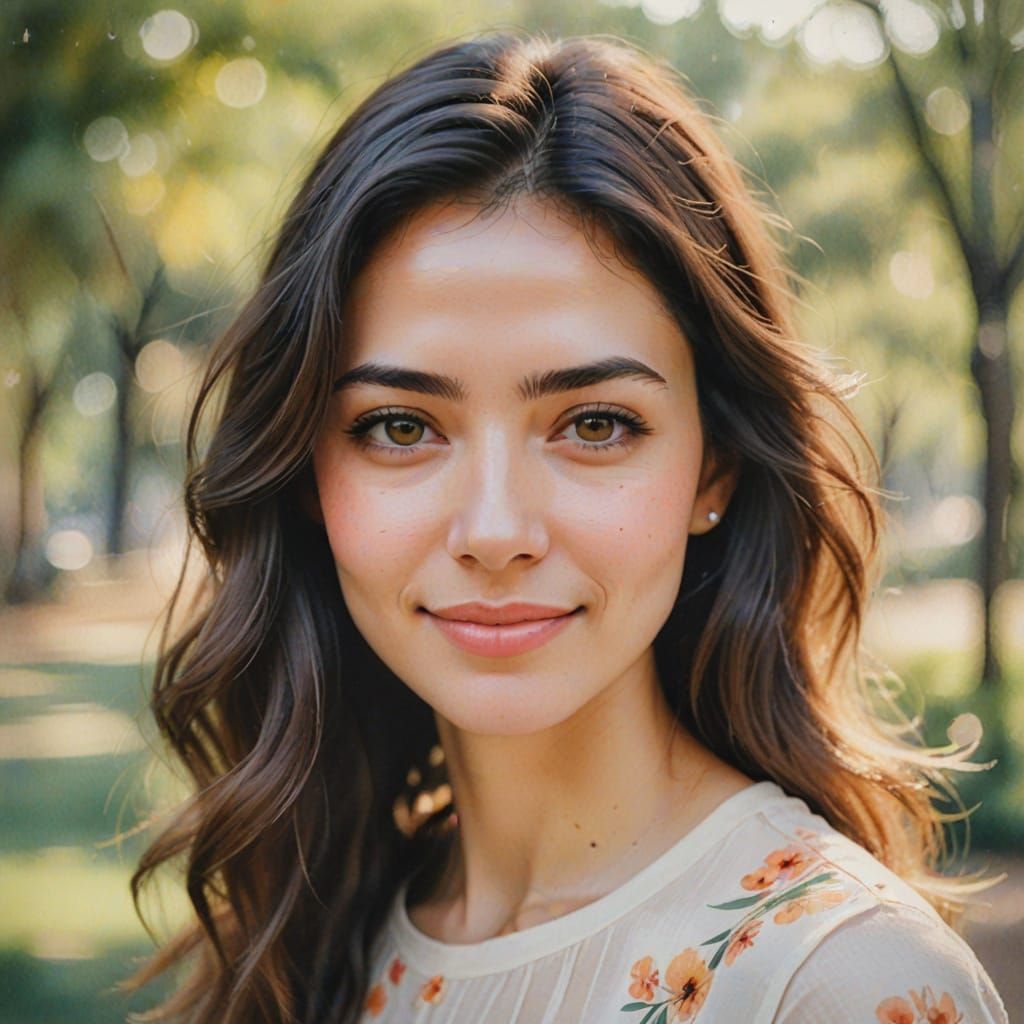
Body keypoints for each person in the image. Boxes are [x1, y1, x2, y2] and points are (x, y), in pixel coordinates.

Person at [127, 30, 1010, 1024]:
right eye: (400, 426)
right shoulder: (319, 928)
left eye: (595, 424)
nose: (496, 530)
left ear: (710, 467)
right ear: (303, 474)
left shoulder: (841, 983)